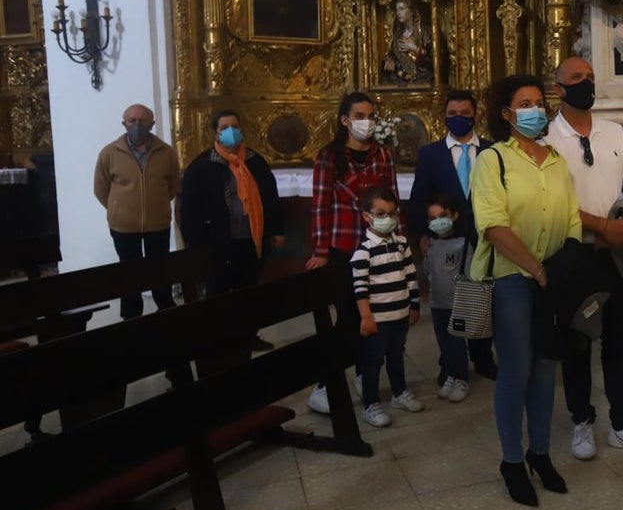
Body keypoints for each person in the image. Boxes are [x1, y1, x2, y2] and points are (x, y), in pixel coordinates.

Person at [546, 56, 623, 460]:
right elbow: (550, 202)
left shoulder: (614, 133)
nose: (587, 84)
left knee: (618, 343)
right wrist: (600, 227)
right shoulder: (547, 140)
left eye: (591, 78)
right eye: (577, 78)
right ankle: (582, 422)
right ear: (559, 88)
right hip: (575, 254)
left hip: (619, 252)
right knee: (577, 340)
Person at [471, 74, 580, 507]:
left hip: (551, 277)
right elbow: (493, 224)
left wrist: (564, 265)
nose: (535, 109)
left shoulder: (555, 159)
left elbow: (571, 216)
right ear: (506, 113)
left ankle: (540, 453)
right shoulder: (493, 160)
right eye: (524, 103)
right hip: (512, 276)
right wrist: (535, 267)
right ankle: (512, 460)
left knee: (545, 368)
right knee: (516, 368)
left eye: (539, 102)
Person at [305, 92, 403, 415]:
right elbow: (320, 205)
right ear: (345, 120)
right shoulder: (329, 157)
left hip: (378, 248)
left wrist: (398, 243)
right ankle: (324, 385)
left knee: (374, 319)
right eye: (360, 116)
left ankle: (364, 375)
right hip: (344, 247)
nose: (367, 122)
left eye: (371, 115)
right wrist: (320, 250)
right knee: (349, 319)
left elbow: (394, 202)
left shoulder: (383, 156)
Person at [408, 90, 498, 382]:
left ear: (476, 115)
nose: (459, 118)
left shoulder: (492, 150)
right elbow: (419, 197)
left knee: (481, 297)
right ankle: (450, 361)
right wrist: (423, 232)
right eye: (452, 114)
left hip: (484, 237)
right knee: (448, 302)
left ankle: (483, 356)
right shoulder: (430, 154)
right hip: (445, 239)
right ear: (444, 117)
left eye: (465, 113)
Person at [179, 110, 285, 351]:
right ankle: (217, 339)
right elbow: (189, 208)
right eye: (224, 127)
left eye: (234, 126)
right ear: (214, 133)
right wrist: (194, 241)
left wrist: (277, 229)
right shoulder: (201, 166)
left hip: (250, 239)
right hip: (217, 242)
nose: (230, 131)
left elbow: (270, 198)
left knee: (248, 291)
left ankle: (248, 335)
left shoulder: (255, 161)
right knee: (218, 292)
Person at [93, 104, 180, 319]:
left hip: (157, 223)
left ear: (152, 124)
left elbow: (173, 186)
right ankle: (131, 316)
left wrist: (154, 205)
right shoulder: (109, 153)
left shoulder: (166, 152)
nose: (137, 125)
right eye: (132, 121)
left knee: (159, 269)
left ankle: (165, 308)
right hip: (123, 225)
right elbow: (101, 188)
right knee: (129, 272)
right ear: (124, 124)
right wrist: (119, 209)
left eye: (143, 121)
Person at [351, 187, 424, 427]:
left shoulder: (402, 244)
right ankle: (371, 405)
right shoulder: (363, 252)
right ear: (367, 216)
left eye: (392, 214)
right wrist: (365, 317)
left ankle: (399, 393)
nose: (387, 219)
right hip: (377, 319)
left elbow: (411, 276)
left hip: (400, 315)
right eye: (380, 214)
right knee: (373, 362)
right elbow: (360, 288)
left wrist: (414, 306)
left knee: (397, 356)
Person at [422, 194, 472, 402]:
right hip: (437, 303)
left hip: (458, 302)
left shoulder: (463, 243)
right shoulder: (431, 245)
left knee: (456, 342)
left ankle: (461, 378)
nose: (438, 221)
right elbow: (427, 270)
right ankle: (450, 374)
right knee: (444, 342)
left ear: (454, 215)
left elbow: (469, 271)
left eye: (442, 216)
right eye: (432, 218)